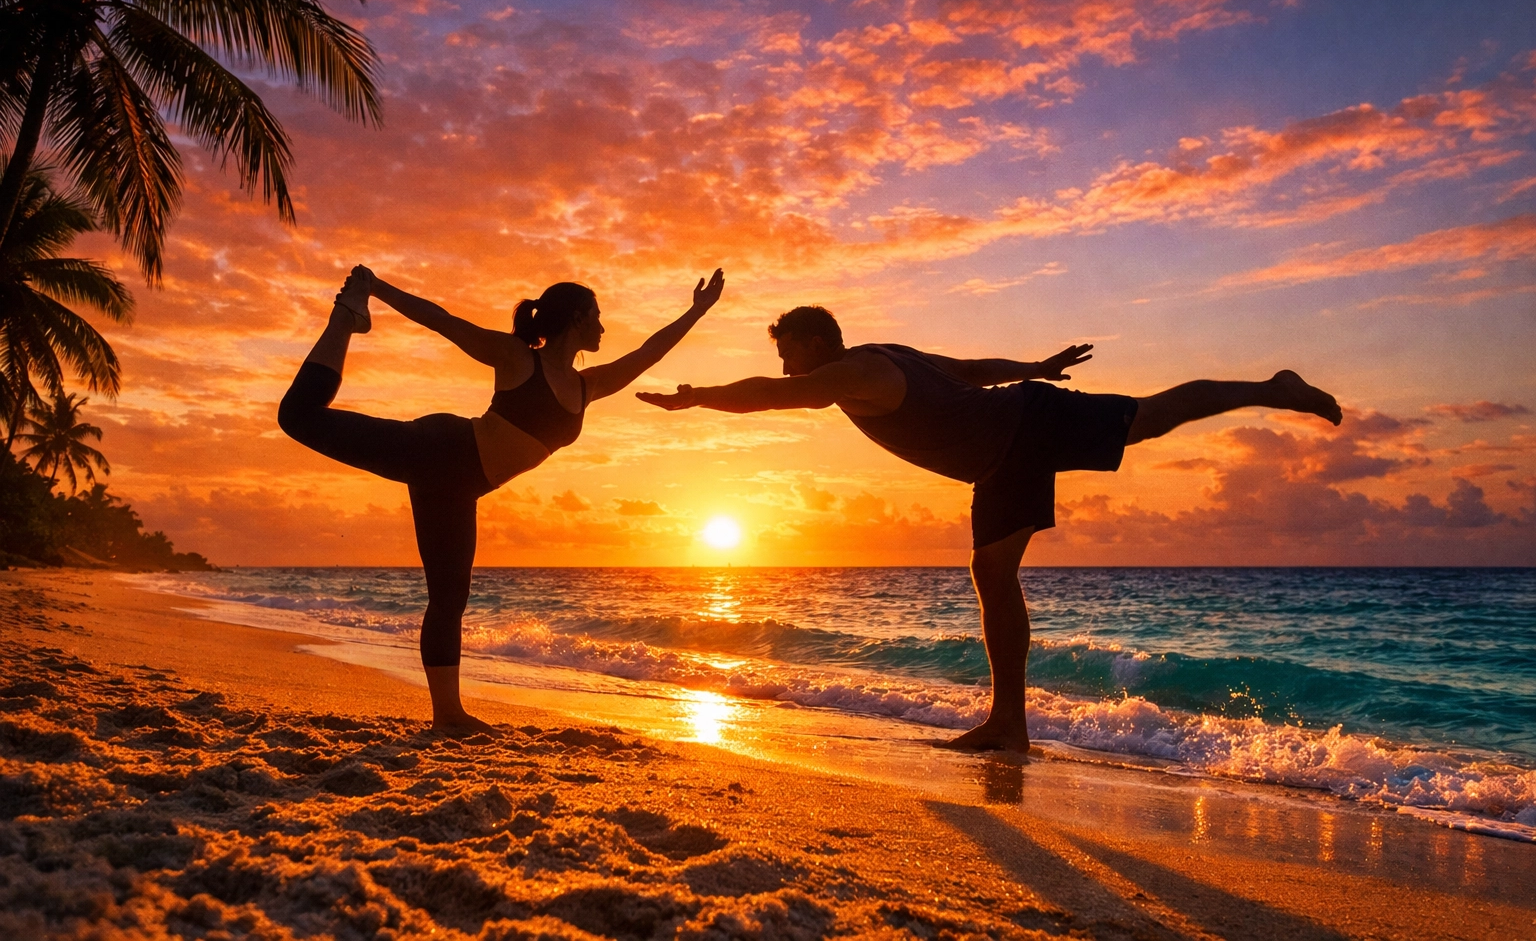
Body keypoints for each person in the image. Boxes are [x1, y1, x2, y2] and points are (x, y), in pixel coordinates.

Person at [637, 305, 1341, 752]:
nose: (785, 363)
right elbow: (971, 367)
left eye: (789, 349)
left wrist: (696, 397)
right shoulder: (881, 357)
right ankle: (1009, 725)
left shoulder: (852, 371)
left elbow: (773, 395)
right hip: (1003, 459)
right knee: (992, 576)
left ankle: (1272, 388)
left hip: (1027, 423)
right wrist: (1033, 364)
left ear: (814, 343)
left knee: (1152, 414)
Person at [279, 266, 725, 735]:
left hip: (459, 485)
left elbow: (648, 352)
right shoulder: (517, 359)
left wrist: (697, 311)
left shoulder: (585, 386)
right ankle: (347, 317)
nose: (603, 326)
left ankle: (448, 716)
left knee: (450, 599)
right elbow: (443, 321)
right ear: (575, 319)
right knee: (298, 416)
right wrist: (377, 288)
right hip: (436, 450)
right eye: (596, 315)